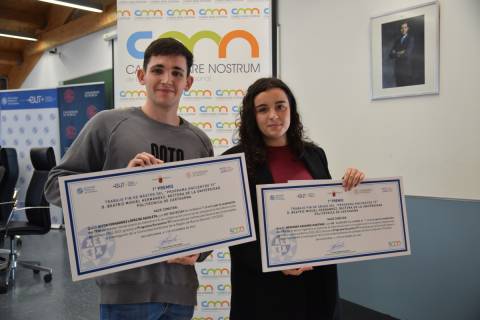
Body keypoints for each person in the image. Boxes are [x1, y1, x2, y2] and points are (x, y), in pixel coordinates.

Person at [45, 38, 213, 320]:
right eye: (158, 70)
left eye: (177, 72)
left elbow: (210, 211)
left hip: (181, 291)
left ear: (189, 82)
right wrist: (120, 184)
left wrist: (201, 252)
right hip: (125, 291)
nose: (167, 79)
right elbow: (55, 184)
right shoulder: (107, 124)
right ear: (141, 76)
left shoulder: (200, 141)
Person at [223, 77, 365, 320]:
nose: (273, 115)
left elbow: (329, 211)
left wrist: (353, 186)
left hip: (317, 283)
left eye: (280, 106)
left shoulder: (314, 154)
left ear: (291, 110)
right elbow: (234, 232)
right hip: (264, 287)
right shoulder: (235, 161)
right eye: (263, 109)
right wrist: (274, 262)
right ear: (252, 116)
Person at [389, 21, 415, 87]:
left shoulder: (410, 39)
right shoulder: (397, 40)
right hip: (397, 70)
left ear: (408, 28)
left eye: (405, 27)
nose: (403, 30)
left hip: (406, 70)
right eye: (402, 28)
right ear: (400, 29)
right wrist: (401, 52)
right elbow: (390, 55)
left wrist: (396, 52)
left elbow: (407, 54)